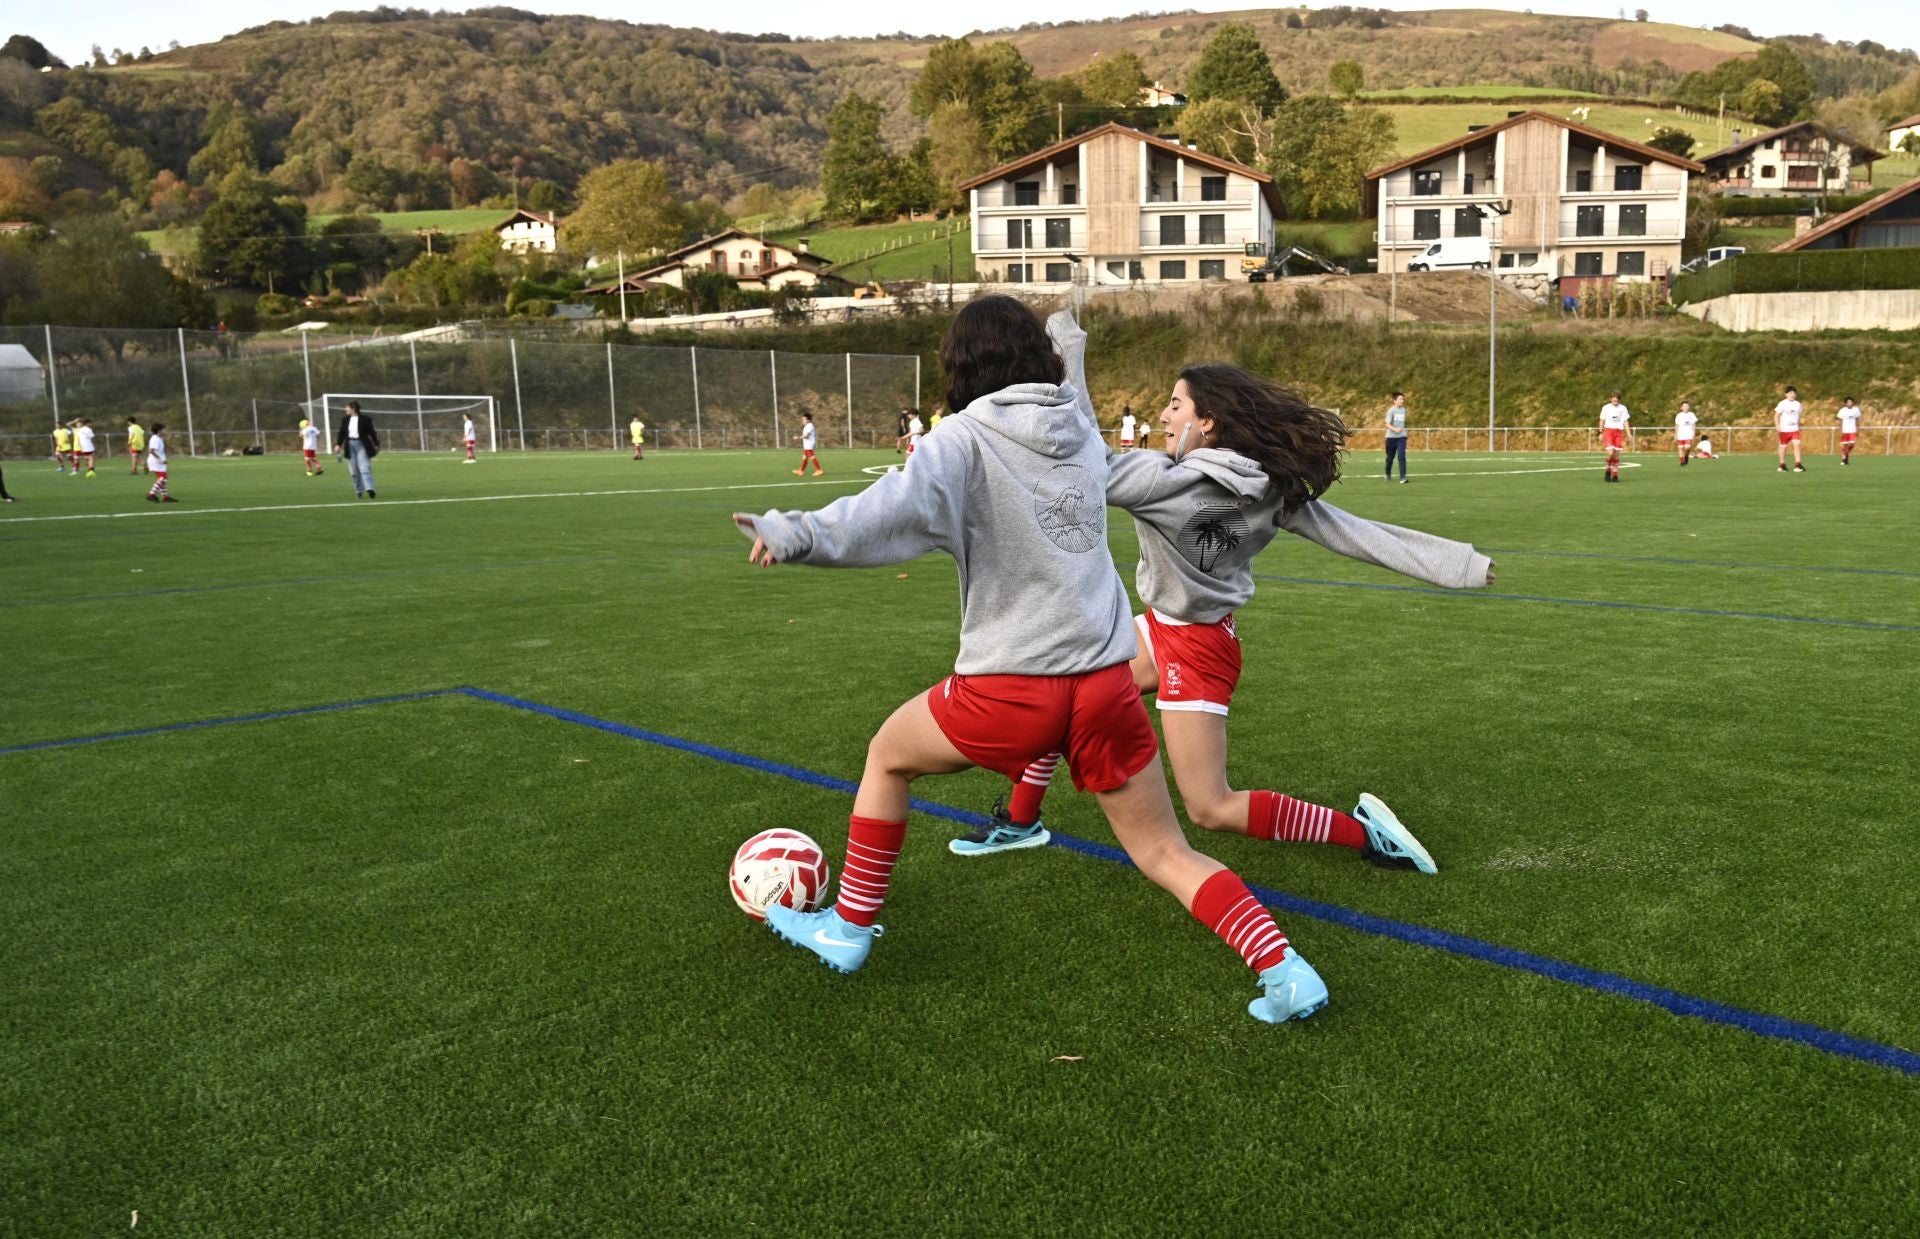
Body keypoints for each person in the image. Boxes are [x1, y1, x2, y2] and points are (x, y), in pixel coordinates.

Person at [733, 295, 1329, 1025]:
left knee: (888, 754)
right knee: (1167, 851)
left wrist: (794, 533)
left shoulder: (962, 438)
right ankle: (1285, 967)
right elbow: (1068, 402)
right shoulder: (1077, 426)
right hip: (1108, 682)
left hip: (1011, 689)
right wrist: (1070, 340)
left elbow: (890, 505)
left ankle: (849, 927)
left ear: (961, 366)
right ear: (1035, 358)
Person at [959, 315, 1493, 879]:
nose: (1163, 416)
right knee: (1065, 691)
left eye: (1175, 404)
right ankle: (1021, 821)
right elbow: (1354, 532)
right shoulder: (1266, 485)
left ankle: (1366, 833)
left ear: (1207, 421)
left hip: (1196, 650)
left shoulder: (1163, 482)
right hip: (1163, 629)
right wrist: (1458, 564)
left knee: (1210, 809)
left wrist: (1069, 351)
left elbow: (1087, 459)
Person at [334, 399, 379, 498]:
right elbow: (341, 433)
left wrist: (376, 444)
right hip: (350, 445)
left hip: (362, 445)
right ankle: (358, 490)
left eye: (347, 407)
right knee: (354, 472)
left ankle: (370, 488)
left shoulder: (366, 419)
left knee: (364, 468)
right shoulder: (345, 419)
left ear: (353, 409)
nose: (346, 409)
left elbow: (372, 432)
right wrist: (338, 444)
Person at [1600, 390, 1631, 483]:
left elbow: (1625, 421)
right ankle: (1607, 470)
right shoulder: (1605, 408)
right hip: (1608, 431)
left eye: (1616, 401)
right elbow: (1602, 419)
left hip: (1618, 432)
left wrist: (1629, 433)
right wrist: (1601, 431)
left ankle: (1615, 475)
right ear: (1610, 399)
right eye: (1613, 401)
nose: (1615, 403)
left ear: (1619, 400)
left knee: (1616, 455)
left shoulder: (1623, 408)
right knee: (1610, 453)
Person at [1775, 385, 1805, 473]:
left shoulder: (1798, 404)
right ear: (1786, 394)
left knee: (1797, 444)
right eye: (1790, 393)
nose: (1792, 395)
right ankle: (1782, 464)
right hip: (1784, 429)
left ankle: (1798, 465)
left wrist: (1799, 426)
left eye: (1794, 393)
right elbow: (1776, 415)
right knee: (1783, 447)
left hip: (1794, 428)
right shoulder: (1782, 403)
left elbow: (1798, 416)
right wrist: (1777, 426)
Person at [145, 423, 175, 503]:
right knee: (163, 478)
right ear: (159, 430)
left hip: (158, 462)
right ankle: (151, 494)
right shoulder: (155, 439)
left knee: (163, 479)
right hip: (156, 462)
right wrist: (161, 459)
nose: (165, 431)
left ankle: (165, 497)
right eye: (163, 429)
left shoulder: (159, 438)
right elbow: (151, 451)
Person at [1384, 391, 1409, 483]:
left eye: (1403, 399)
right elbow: (1387, 424)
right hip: (1391, 438)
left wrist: (1401, 431)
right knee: (1390, 458)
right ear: (1395, 400)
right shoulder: (1391, 411)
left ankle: (1403, 477)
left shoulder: (1404, 410)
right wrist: (1395, 429)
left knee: (1402, 456)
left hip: (1402, 437)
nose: (1402, 401)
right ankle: (1387, 473)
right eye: (1400, 399)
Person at [792, 411, 824, 476]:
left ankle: (819, 470)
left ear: (808, 420)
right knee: (804, 457)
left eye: (804, 419)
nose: (803, 421)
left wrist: (798, 437)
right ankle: (801, 471)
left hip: (809, 444)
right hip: (807, 444)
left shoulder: (809, 426)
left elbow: (807, 436)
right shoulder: (807, 426)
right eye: (802, 419)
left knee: (812, 456)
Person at [1837, 397, 1861, 466]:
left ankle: (1845, 454)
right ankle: (1844, 459)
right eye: (1848, 402)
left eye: (1851, 402)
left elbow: (1857, 420)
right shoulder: (1842, 410)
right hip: (1845, 430)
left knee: (1852, 444)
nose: (1849, 403)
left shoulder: (1856, 410)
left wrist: (1858, 429)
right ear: (1845, 403)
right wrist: (1841, 430)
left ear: (1853, 403)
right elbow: (1840, 421)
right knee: (1844, 445)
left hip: (1852, 430)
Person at [1674, 400, 1698, 466]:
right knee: (1680, 448)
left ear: (1689, 407)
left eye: (1687, 406)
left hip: (1688, 434)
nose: (1685, 407)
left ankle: (1686, 456)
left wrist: (1694, 433)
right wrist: (1675, 435)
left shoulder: (1691, 414)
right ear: (1681, 407)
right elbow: (1677, 425)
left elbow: (1694, 424)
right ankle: (1682, 461)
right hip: (1680, 434)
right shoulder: (1678, 415)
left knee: (1687, 447)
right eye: (1684, 406)